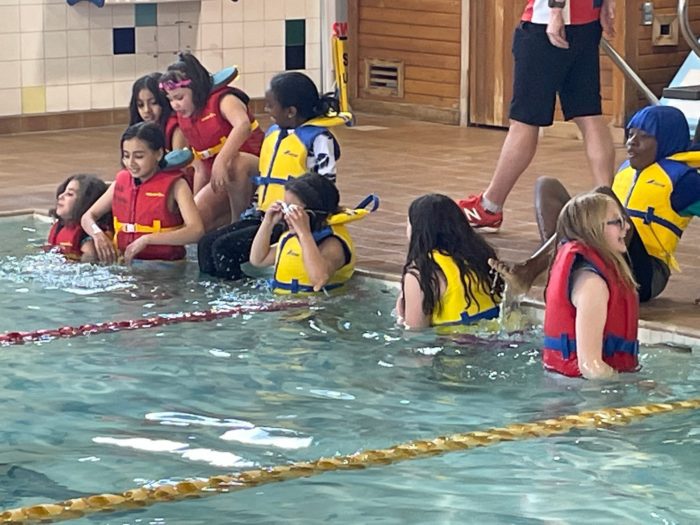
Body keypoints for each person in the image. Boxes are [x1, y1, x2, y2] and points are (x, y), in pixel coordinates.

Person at [490, 104, 700, 304]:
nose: (631, 142)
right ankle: (558, 267)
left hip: (645, 275)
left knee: (602, 194)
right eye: (631, 133)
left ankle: (531, 270)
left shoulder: (684, 181)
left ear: (667, 142)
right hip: (609, 254)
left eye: (643, 136)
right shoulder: (628, 169)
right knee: (547, 187)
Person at [457, 0, 616, 232]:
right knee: (589, 114)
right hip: (587, 22)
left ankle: (489, 207)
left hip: (546, 23)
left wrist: (555, 11)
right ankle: (609, 209)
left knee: (524, 122)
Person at [197, 71, 351, 280]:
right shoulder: (275, 133)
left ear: (290, 111)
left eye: (270, 105)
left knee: (224, 249)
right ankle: (214, 300)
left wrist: (305, 219)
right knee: (206, 244)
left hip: (292, 220)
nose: (267, 109)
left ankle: (237, 298)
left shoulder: (318, 139)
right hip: (266, 214)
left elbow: (325, 185)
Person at [159, 52, 264, 231]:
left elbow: (243, 125)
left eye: (179, 98)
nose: (175, 105)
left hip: (258, 166)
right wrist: (193, 206)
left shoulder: (224, 100)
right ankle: (227, 226)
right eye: (170, 100)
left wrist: (222, 160)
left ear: (196, 90)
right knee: (197, 220)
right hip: (223, 176)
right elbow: (200, 168)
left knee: (234, 163)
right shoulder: (185, 117)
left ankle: (237, 226)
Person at [542, 192, 639, 379]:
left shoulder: (590, 273)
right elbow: (590, 367)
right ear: (593, 228)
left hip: (569, 385)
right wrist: (633, 387)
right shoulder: (592, 285)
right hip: (578, 390)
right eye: (617, 222)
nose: (626, 227)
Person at [81, 122, 204, 264]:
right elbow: (87, 217)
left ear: (158, 154)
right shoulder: (120, 183)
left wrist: (147, 239)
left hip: (165, 269)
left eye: (139, 156)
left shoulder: (177, 186)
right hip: (124, 264)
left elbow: (196, 231)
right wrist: (97, 234)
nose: (130, 163)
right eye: (126, 156)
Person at [396, 194, 503, 329]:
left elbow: (415, 331)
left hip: (456, 343)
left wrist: (401, 316)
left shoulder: (421, 273)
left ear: (418, 230)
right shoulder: (479, 255)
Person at [249, 173, 356, 294]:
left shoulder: (333, 244)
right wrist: (268, 223)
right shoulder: (292, 238)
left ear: (313, 212)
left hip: (319, 310)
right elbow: (258, 260)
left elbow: (319, 280)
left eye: (292, 210)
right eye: (285, 207)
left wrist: (304, 233)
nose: (286, 216)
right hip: (287, 306)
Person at [47, 174, 109, 262]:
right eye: (63, 192)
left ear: (86, 203)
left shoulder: (86, 236)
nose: (60, 196)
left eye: (69, 194)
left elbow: (90, 258)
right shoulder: (60, 225)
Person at [128, 73, 185, 152]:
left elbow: (179, 162)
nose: (146, 110)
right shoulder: (138, 129)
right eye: (140, 105)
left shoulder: (176, 128)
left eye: (153, 103)